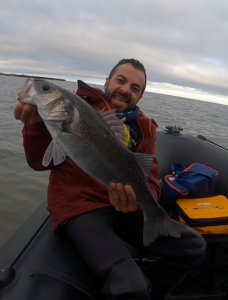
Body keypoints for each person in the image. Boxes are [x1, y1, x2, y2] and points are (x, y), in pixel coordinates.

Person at [14, 59, 207, 300]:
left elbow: (152, 186)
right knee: (129, 284)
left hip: (125, 212)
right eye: (121, 80)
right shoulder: (78, 108)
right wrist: (34, 127)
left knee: (194, 247)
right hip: (81, 209)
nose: (126, 89)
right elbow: (39, 162)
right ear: (107, 82)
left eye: (135, 88)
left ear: (139, 97)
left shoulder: (145, 129)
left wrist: (139, 205)